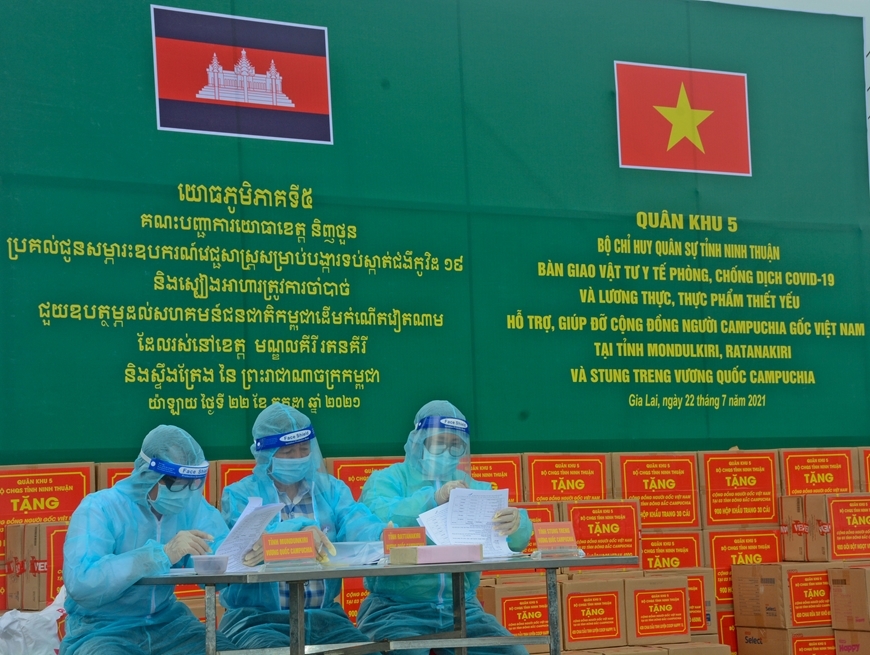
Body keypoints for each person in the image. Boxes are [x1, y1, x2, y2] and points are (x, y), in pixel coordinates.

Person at [357, 400, 533, 655]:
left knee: (513, 652)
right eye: (440, 442)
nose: (448, 451)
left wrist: (516, 524)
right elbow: (382, 516)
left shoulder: (470, 486)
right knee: (407, 652)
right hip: (396, 607)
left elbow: (515, 543)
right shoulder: (387, 480)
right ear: (419, 441)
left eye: (455, 444)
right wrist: (433, 499)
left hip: (462, 607)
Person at [219, 402, 386, 649]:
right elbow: (246, 545)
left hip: (325, 618)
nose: (298, 458)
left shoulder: (330, 490)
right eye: (288, 452)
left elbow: (355, 521)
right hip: (257, 620)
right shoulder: (240, 495)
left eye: (304, 449)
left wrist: (381, 534)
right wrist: (299, 531)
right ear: (265, 454)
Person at [61, 425, 236, 655]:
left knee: (224, 651)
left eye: (191, 483)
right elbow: (83, 582)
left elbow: (218, 550)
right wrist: (160, 555)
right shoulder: (99, 508)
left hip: (168, 625)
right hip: (102, 629)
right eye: (176, 483)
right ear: (148, 475)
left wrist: (239, 553)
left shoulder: (189, 506)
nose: (185, 492)